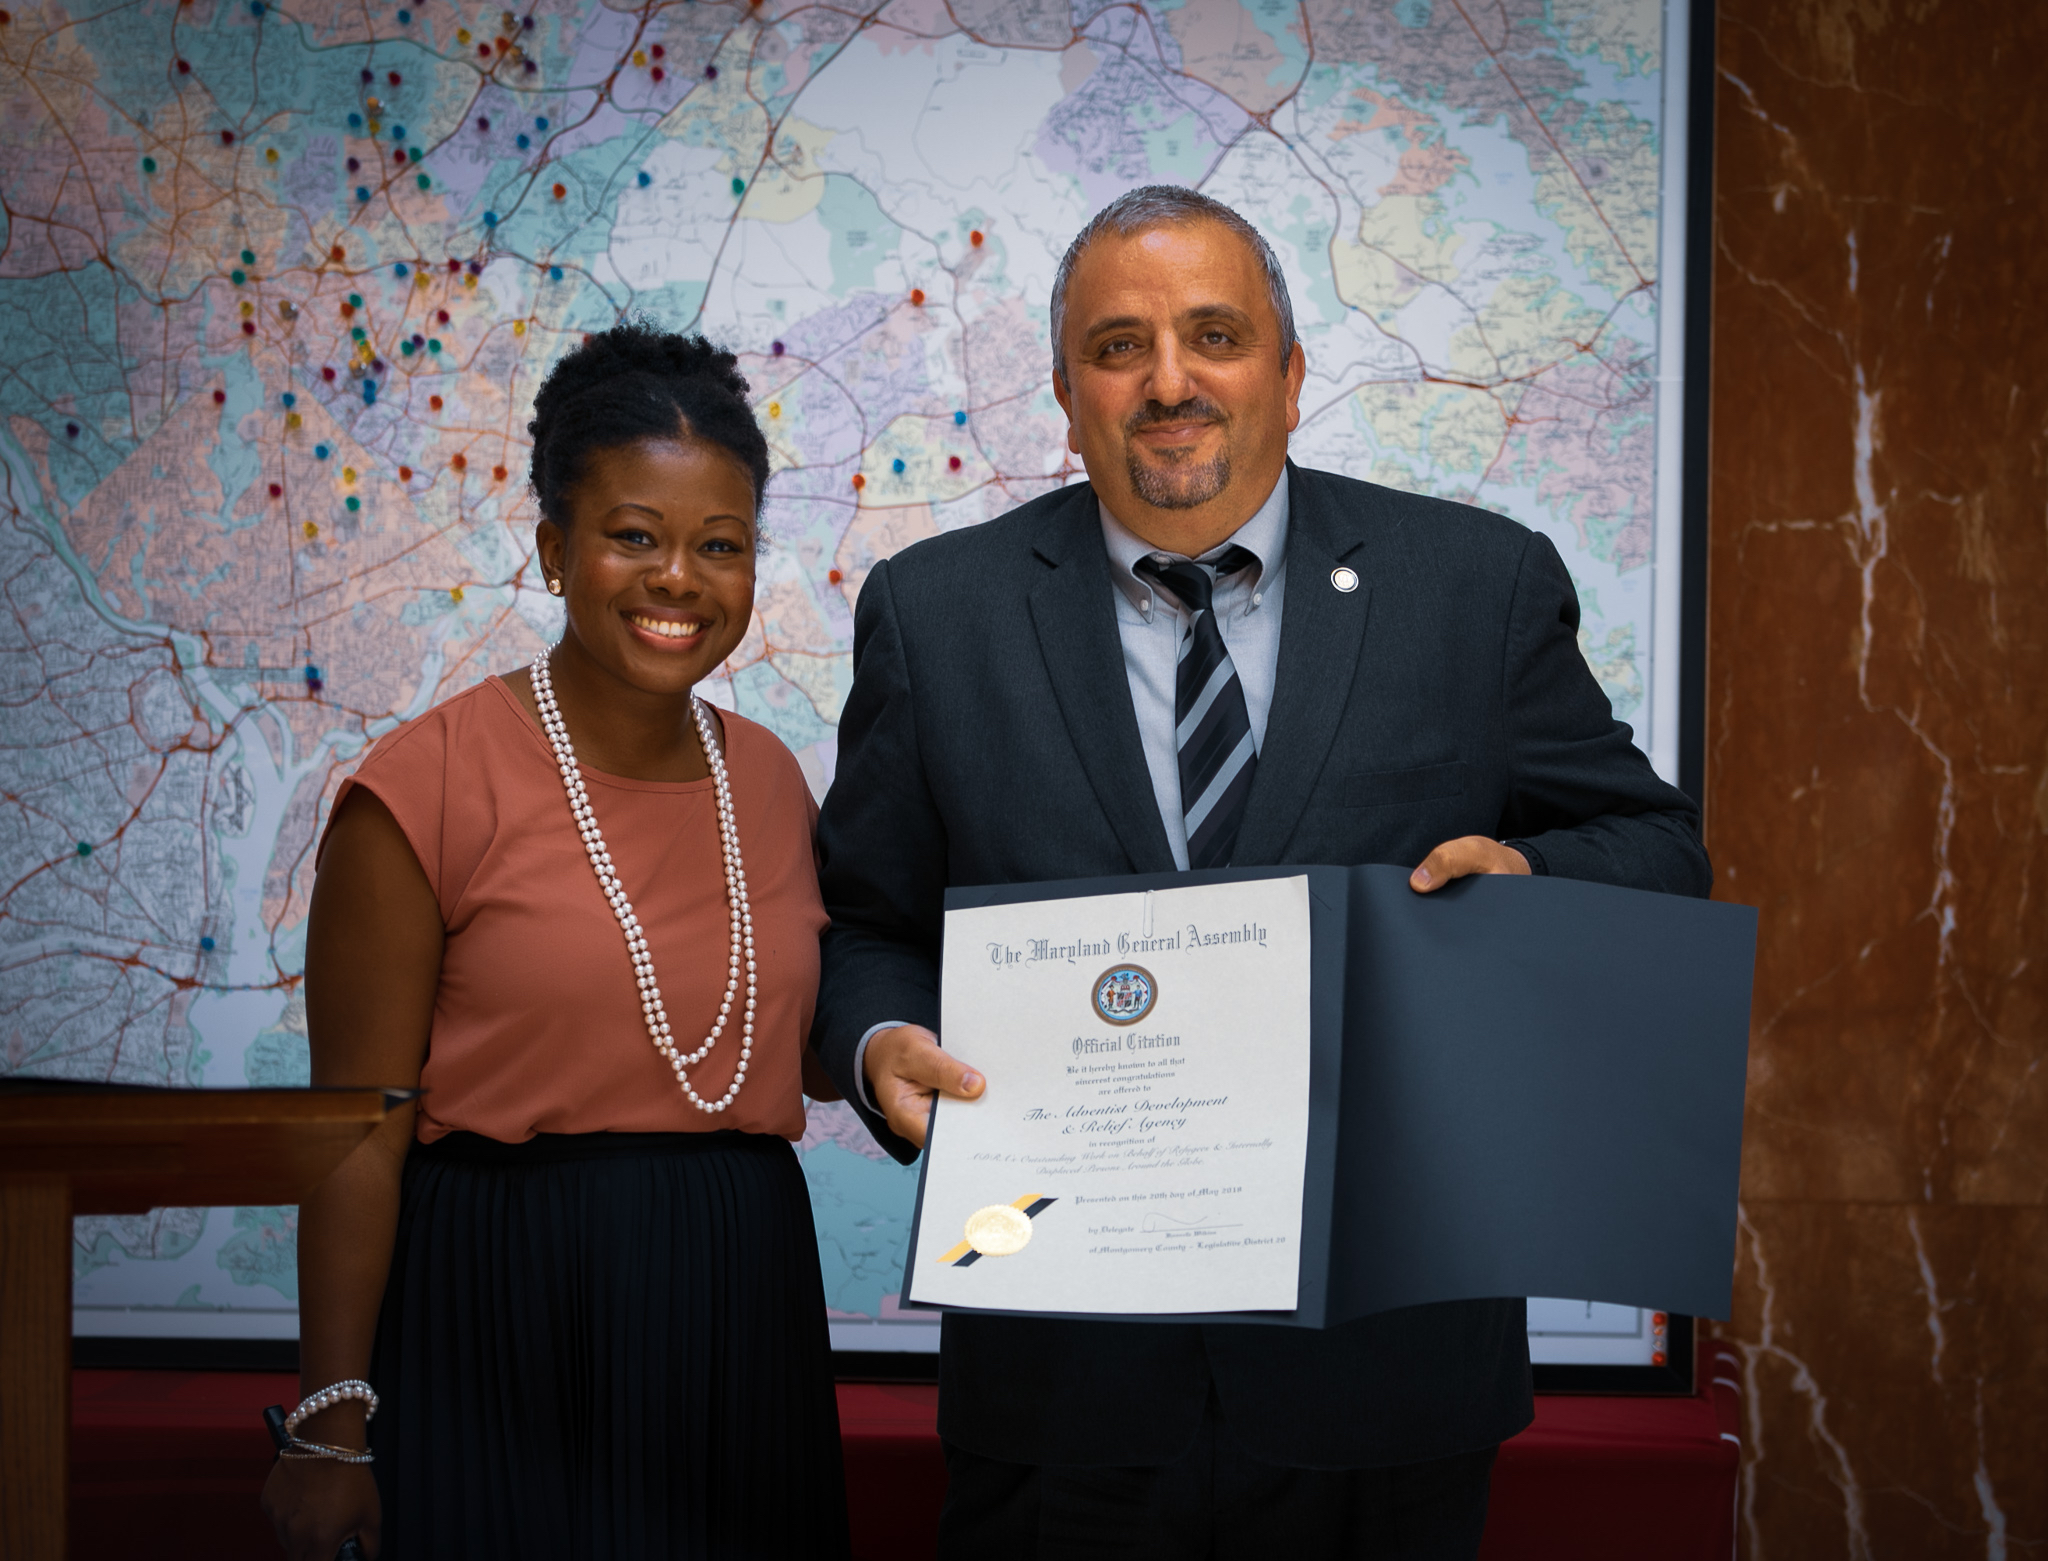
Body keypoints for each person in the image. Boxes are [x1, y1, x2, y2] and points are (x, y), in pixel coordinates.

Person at [812, 186, 1711, 1558]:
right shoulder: (938, 615)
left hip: (1386, 1380)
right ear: (1066, 398)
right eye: (1119, 347)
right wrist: (880, 1042)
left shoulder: (1478, 587)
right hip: (1063, 1382)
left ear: (1289, 377)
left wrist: (1529, 879)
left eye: (1214, 336)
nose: (1169, 382)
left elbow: (1658, 852)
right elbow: (870, 922)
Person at [261, 323, 850, 1560]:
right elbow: (353, 1142)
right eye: (633, 534)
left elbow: (789, 1041)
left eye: (720, 545)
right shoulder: (418, 788)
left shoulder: (774, 783)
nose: (677, 578)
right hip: (501, 1303)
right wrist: (328, 1427)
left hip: (738, 1301)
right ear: (553, 549)